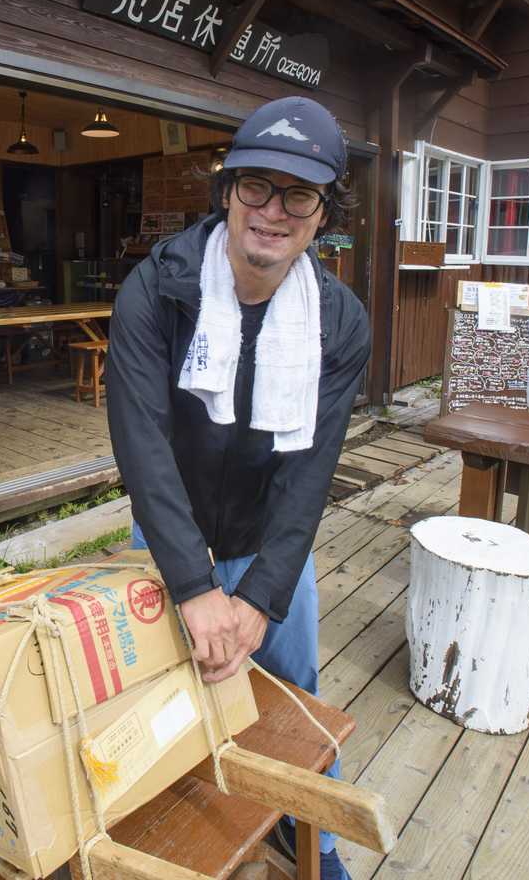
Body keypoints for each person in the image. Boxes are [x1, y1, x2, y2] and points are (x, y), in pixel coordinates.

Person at [105, 96, 370, 880]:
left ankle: (311, 835)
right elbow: (142, 444)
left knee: (295, 693)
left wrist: (258, 596)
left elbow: (310, 471)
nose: (273, 211)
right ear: (227, 192)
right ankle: (165, 835)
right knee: (153, 695)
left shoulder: (339, 322)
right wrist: (193, 584)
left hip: (267, 537)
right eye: (257, 185)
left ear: (323, 215)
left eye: (300, 195)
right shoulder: (156, 291)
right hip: (168, 531)